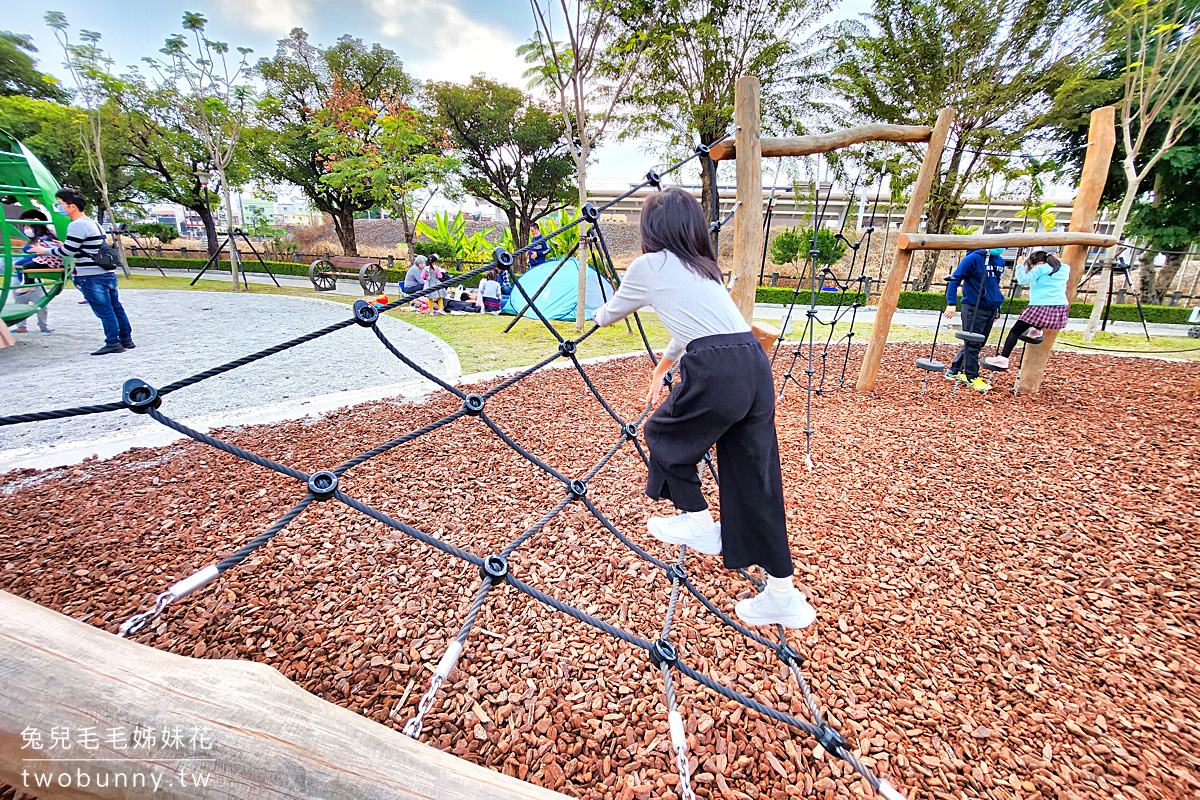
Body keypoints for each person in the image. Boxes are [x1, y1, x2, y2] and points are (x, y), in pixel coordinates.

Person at [591, 188, 814, 629]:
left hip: (716, 368)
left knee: (661, 436)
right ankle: (783, 596)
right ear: (694, 228)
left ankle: (697, 519)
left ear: (651, 229)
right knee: (756, 478)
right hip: (753, 363)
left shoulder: (647, 266)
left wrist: (593, 321)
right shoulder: (704, 270)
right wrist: (662, 367)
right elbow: (693, 326)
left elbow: (610, 313)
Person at [30, 188, 132, 355]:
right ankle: (126, 339)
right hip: (106, 273)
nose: (58, 207)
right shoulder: (92, 223)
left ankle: (113, 342)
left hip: (91, 275)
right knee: (115, 307)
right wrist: (65, 246)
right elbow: (87, 247)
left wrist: (45, 251)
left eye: (60, 204)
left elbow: (68, 252)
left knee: (104, 311)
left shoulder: (76, 225)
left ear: (71, 207)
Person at [983, 250, 1069, 370]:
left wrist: (1019, 265)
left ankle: (1003, 358)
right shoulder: (1065, 268)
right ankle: (1036, 331)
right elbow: (1055, 267)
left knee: (1015, 331)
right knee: (1038, 321)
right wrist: (1055, 259)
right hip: (1060, 307)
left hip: (1041, 305)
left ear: (1038, 262)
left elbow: (1022, 280)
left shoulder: (1040, 268)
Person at [943, 229, 1006, 392]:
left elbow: (994, 285)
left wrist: (997, 307)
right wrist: (951, 302)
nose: (1003, 247)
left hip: (990, 306)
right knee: (973, 342)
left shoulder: (999, 261)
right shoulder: (973, 258)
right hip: (973, 305)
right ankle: (971, 376)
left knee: (978, 342)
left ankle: (954, 370)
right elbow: (955, 279)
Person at [8, 209, 58, 334]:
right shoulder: (27, 237)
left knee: (40, 301)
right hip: (20, 274)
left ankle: (43, 325)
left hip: (34, 273)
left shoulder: (43, 237)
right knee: (19, 300)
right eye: (24, 225)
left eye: (28, 225)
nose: (26, 228)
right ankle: (21, 325)